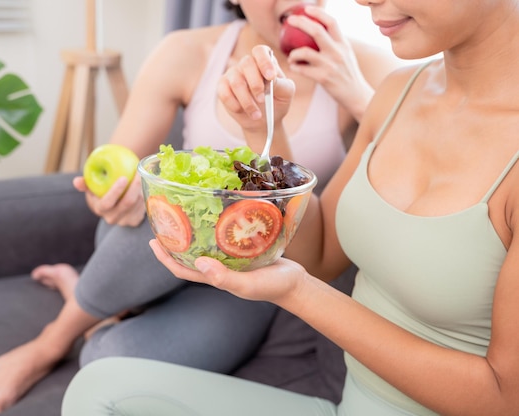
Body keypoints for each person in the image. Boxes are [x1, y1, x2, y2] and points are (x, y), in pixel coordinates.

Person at [61, 0, 519, 414]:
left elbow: (503, 398)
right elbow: (318, 257)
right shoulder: (399, 92)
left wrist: (296, 293)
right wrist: (268, 131)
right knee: (98, 388)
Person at [0, 1, 401, 415]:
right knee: (172, 208)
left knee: (104, 360)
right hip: (151, 248)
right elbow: (121, 163)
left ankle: (90, 303)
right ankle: (49, 343)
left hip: (251, 278)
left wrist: (357, 93)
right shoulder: (187, 52)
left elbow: (408, 162)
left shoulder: (364, 67)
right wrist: (112, 194)